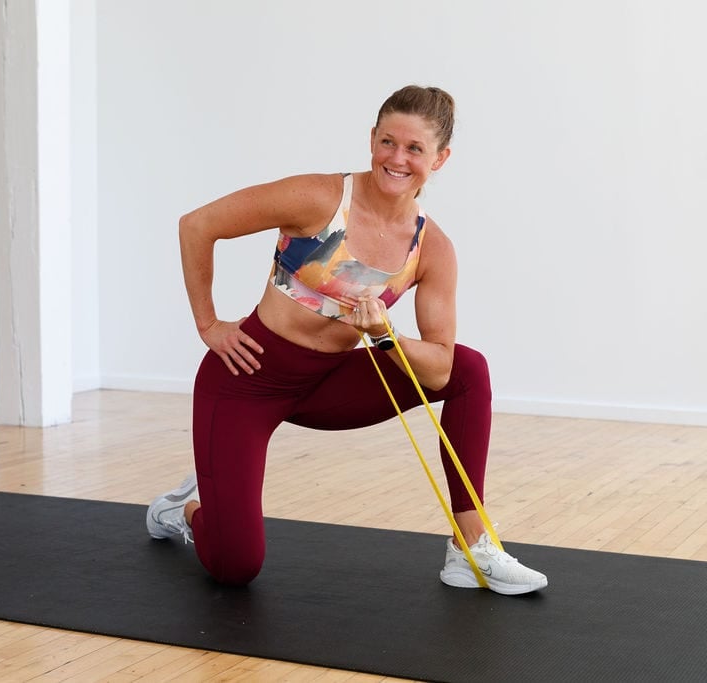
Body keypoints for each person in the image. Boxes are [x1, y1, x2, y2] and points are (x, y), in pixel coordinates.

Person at [146, 85, 547, 595]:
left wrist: (386, 337)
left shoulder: (432, 249)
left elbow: (441, 369)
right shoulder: (318, 198)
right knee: (235, 566)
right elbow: (197, 225)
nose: (396, 159)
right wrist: (209, 324)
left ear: (440, 159)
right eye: (387, 142)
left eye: (415, 149)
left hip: (329, 385)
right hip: (247, 379)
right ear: (372, 140)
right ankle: (187, 508)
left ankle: (472, 549)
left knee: (469, 369)